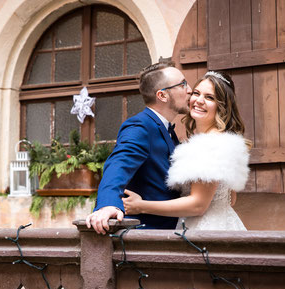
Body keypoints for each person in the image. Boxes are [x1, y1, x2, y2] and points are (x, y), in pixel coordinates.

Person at [122, 71, 250, 230]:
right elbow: (230, 199)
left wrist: (141, 206)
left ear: (222, 106)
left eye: (210, 97)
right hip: (221, 222)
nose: (199, 100)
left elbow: (198, 205)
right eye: (196, 93)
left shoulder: (210, 144)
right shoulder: (221, 140)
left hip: (205, 230)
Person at [85, 60, 193, 234]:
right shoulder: (140, 126)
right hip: (147, 237)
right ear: (162, 95)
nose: (190, 90)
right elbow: (119, 163)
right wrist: (108, 204)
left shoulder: (168, 131)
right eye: (182, 84)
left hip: (169, 233)